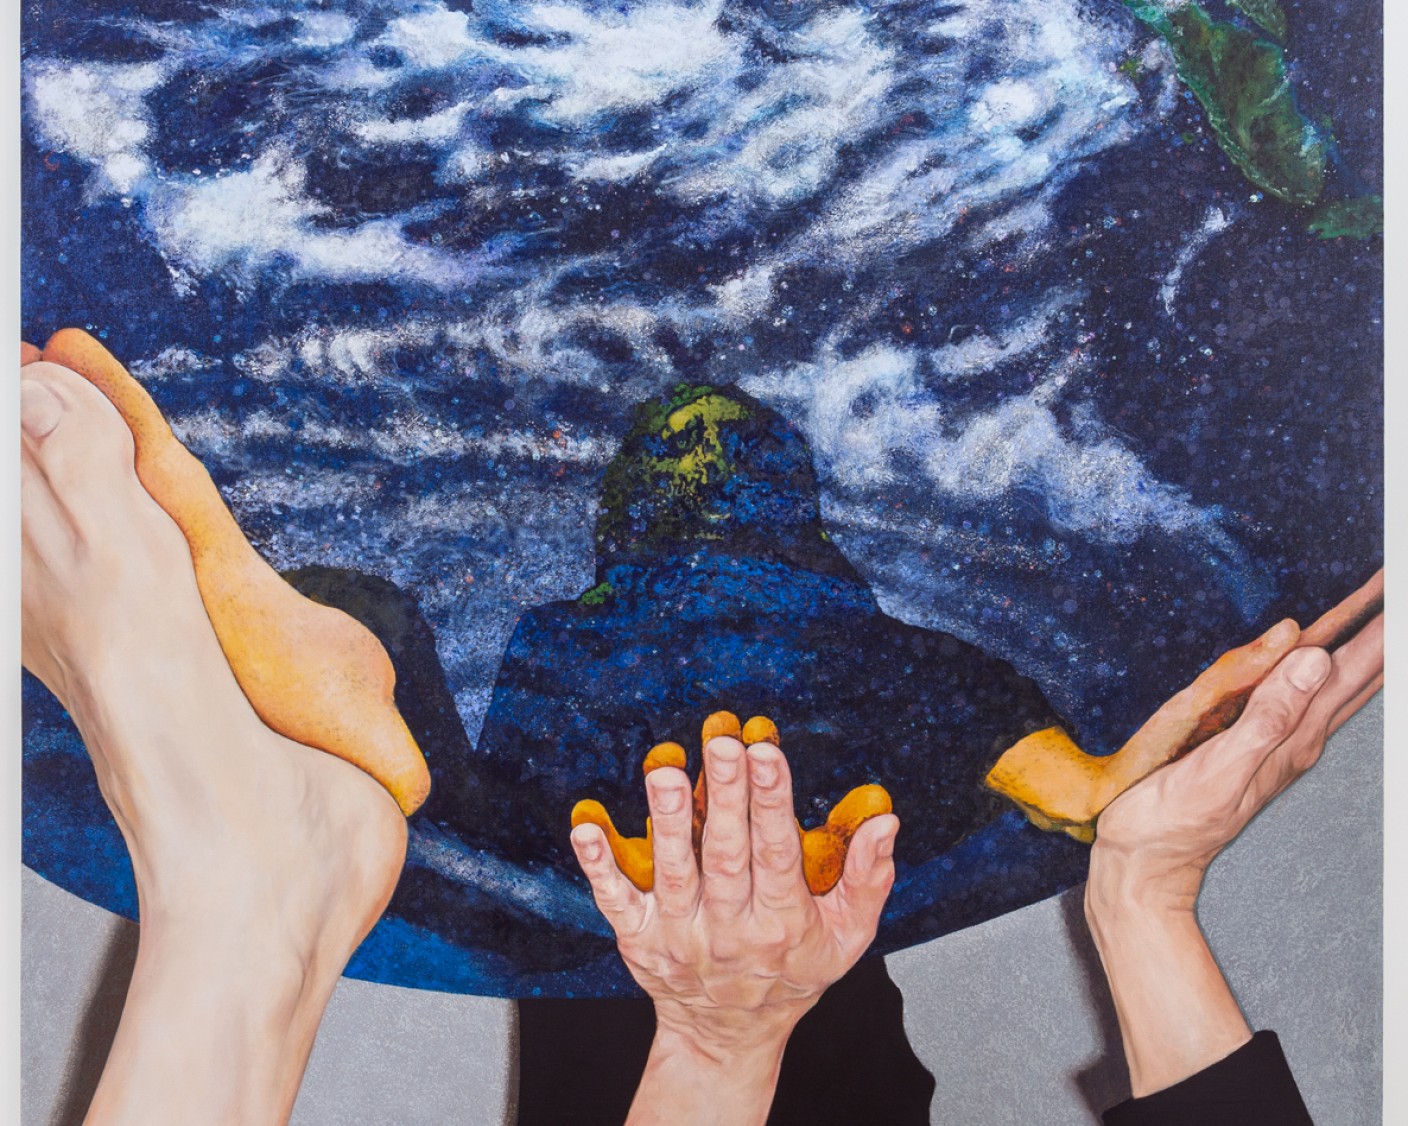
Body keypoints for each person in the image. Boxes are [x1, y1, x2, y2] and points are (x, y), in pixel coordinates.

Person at [20, 350, 1386, 1123]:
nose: (697, 462)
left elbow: (984, 725)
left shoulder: (584, 634)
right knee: (749, 933)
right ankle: (300, 823)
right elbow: (987, 728)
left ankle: (339, 726)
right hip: (708, 909)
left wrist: (721, 1040)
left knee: (451, 786)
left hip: (584, 878)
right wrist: (1135, 872)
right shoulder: (859, 648)